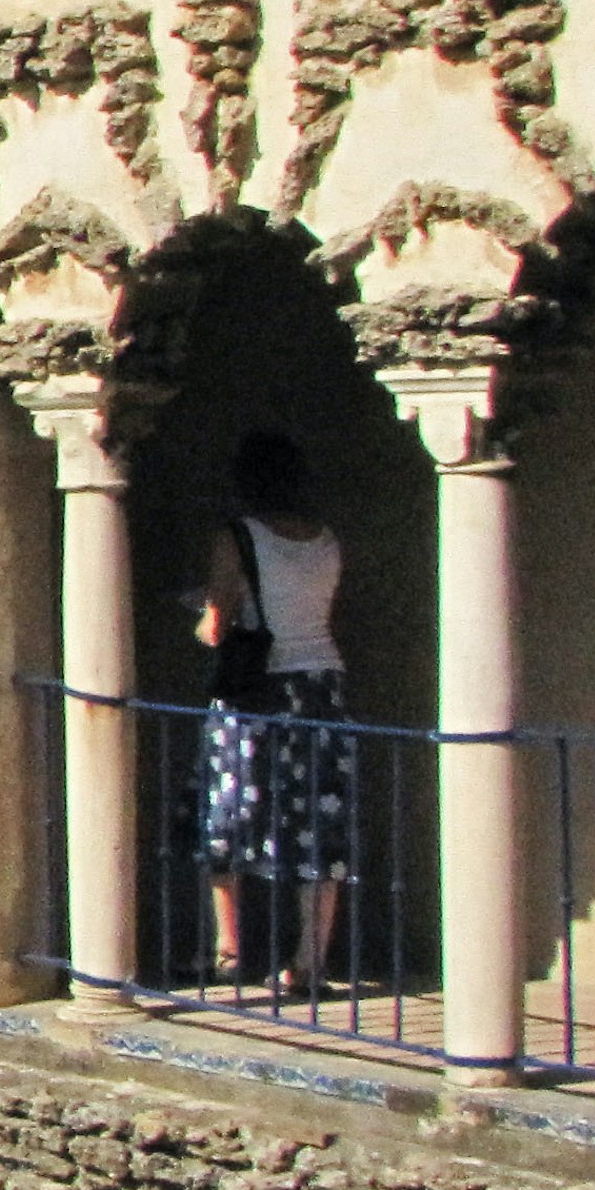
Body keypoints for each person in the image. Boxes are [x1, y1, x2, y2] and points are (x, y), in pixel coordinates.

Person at [193, 428, 356, 1001]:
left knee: (231, 813)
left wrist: (197, 615)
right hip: (322, 688)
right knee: (320, 817)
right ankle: (309, 960)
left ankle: (230, 950)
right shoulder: (326, 540)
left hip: (258, 693)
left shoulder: (238, 538)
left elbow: (217, 627)